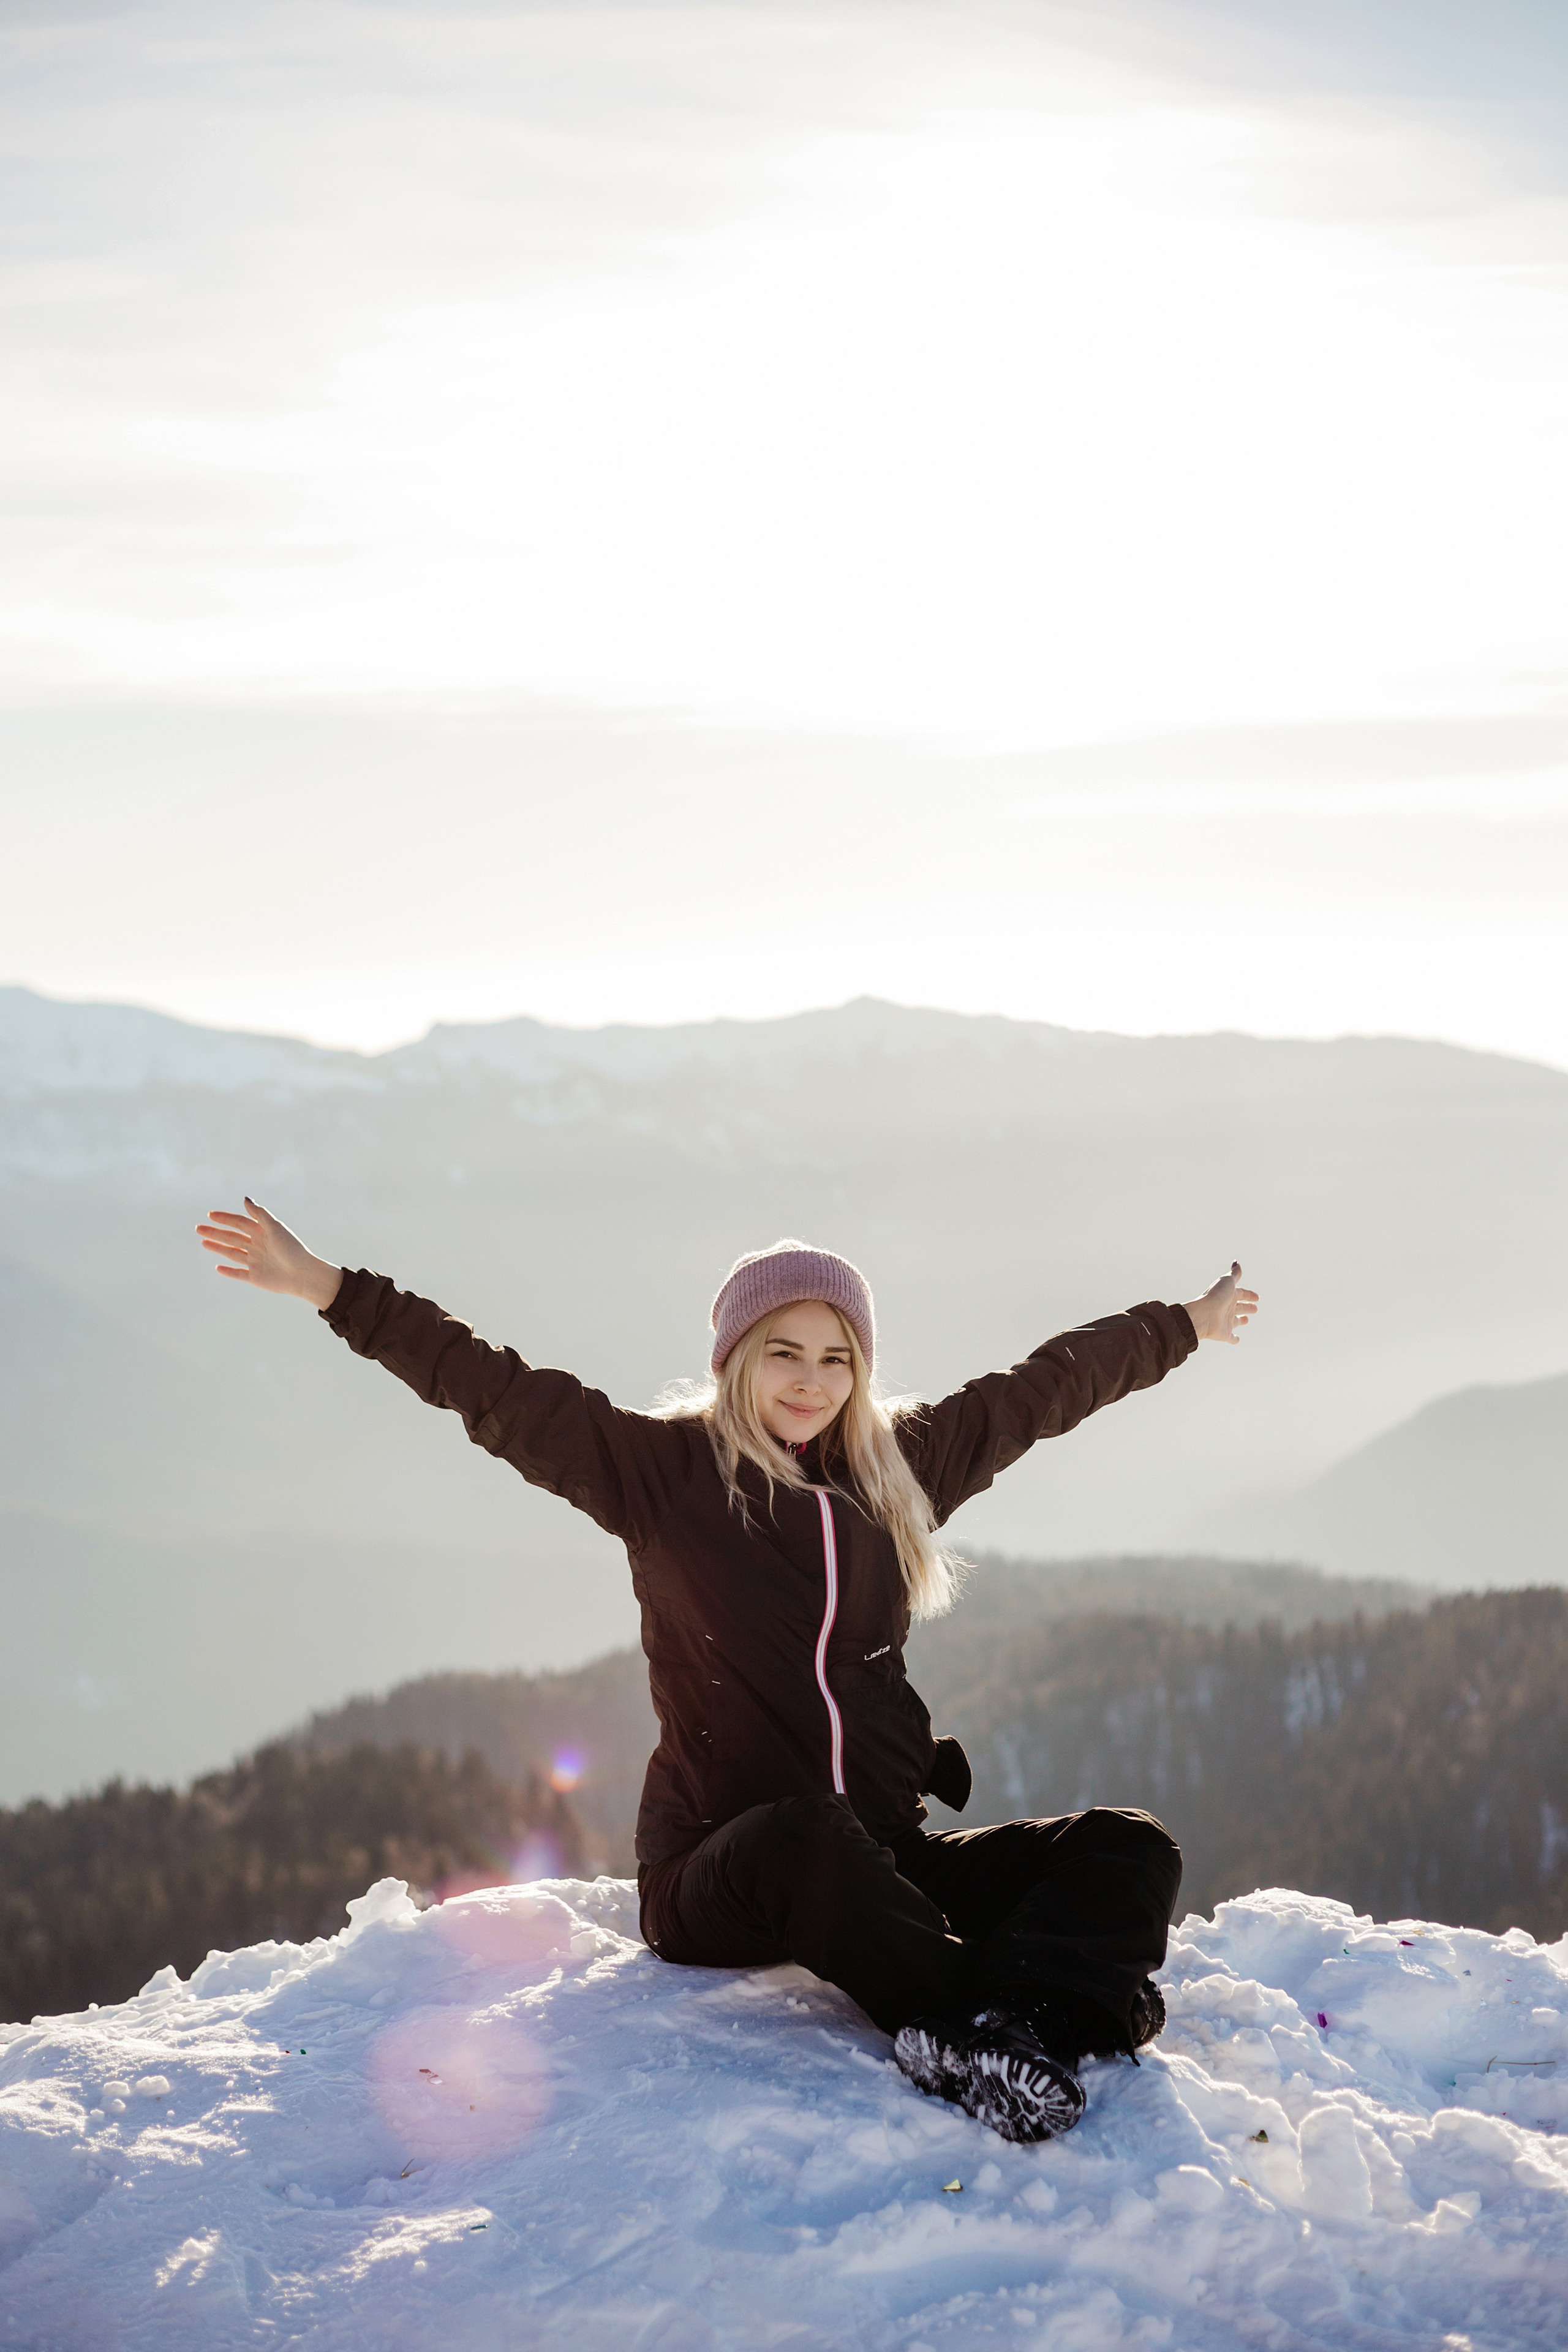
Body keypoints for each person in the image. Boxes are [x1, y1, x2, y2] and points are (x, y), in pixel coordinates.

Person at [195, 1202, 1257, 2143]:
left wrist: (1190, 1326)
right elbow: (492, 1388)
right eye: (784, 1351)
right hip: (722, 1871)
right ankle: (1008, 2017)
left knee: (1128, 1846)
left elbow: (1046, 1389)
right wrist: (329, 1288)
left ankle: (1035, 2021)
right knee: (809, 1833)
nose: (811, 1380)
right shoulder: (663, 1478)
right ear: (735, 1358)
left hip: (881, 1858)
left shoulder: (903, 1470)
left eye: (837, 1357)